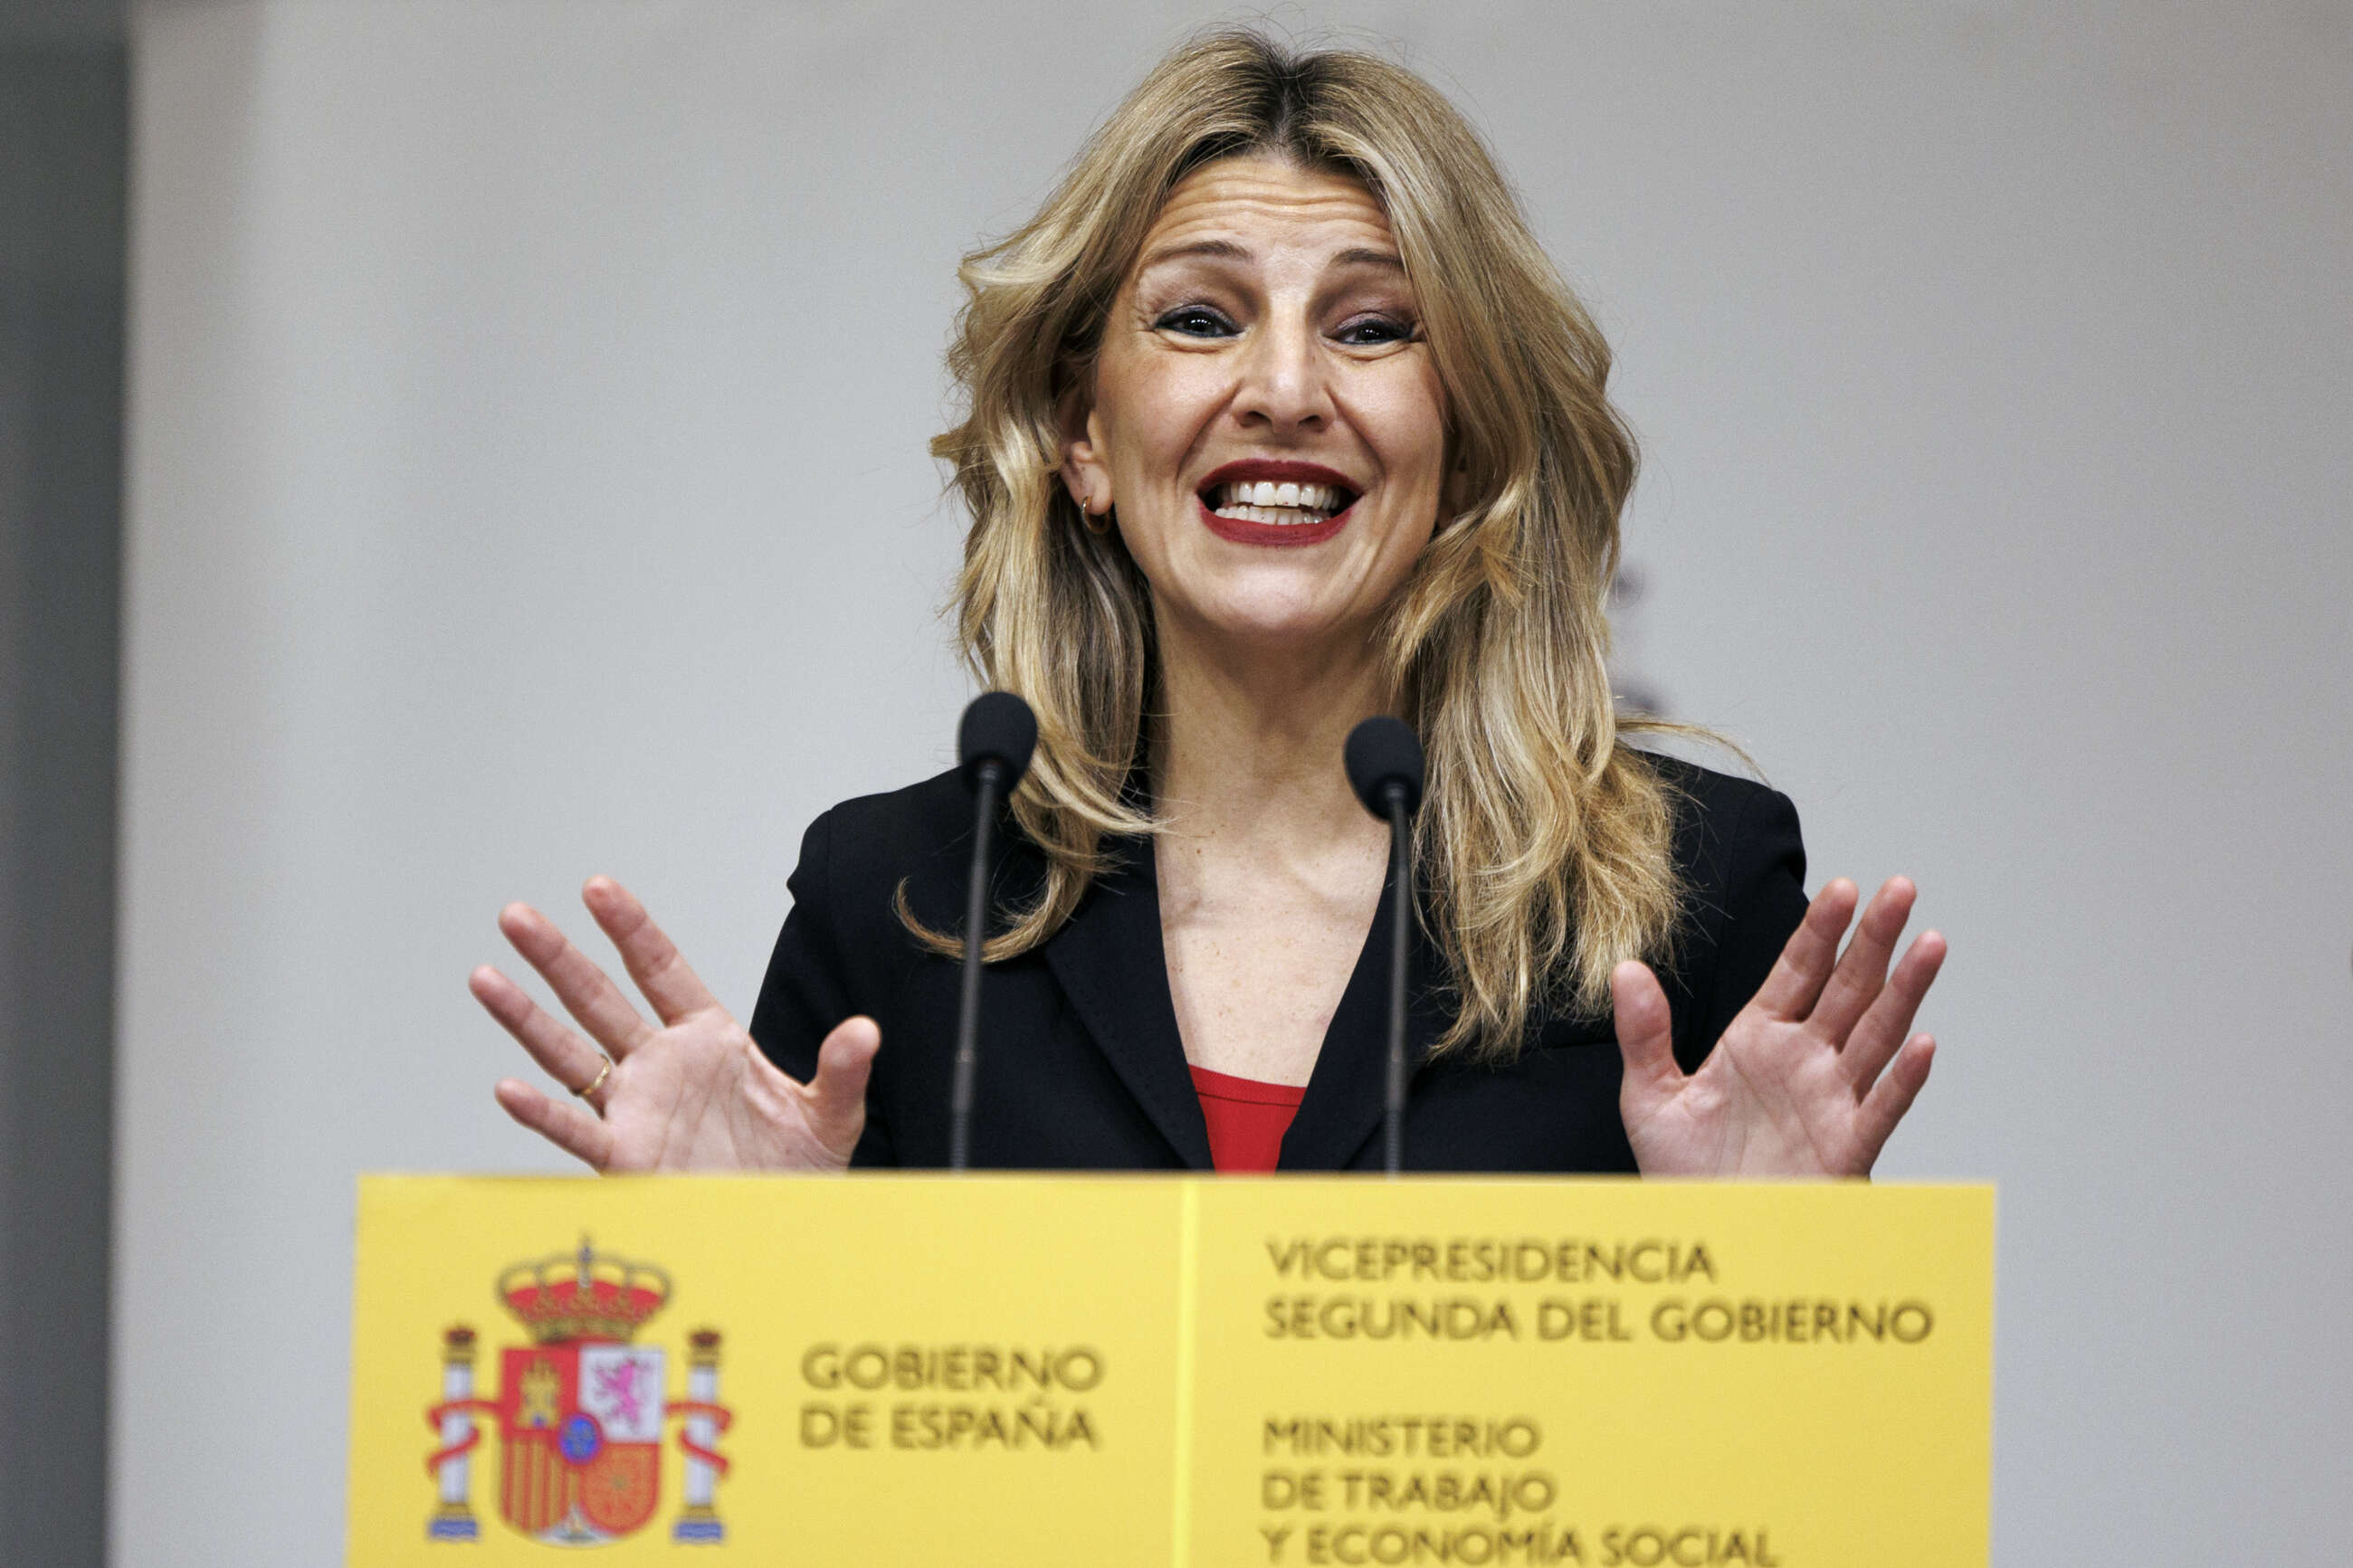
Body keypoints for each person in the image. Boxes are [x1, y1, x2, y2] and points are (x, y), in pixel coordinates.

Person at [469, 31, 1944, 1177]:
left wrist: (1782, 1298)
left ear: (1470, 437)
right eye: (1198, 317)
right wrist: (727, 1300)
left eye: (1371, 327)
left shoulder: (1687, 898)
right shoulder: (898, 905)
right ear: (1085, 436)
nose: (1287, 390)